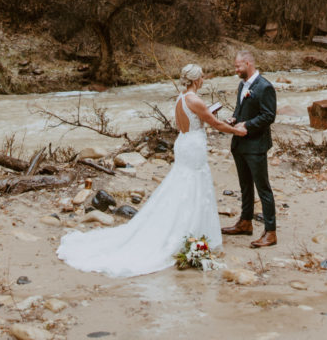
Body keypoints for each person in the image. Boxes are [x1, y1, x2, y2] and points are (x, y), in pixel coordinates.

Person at [57, 63, 246, 277]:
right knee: (195, 185)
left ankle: (184, 229)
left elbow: (191, 121)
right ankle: (187, 231)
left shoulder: (181, 98)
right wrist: (237, 131)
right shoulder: (195, 99)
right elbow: (215, 124)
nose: (203, 79)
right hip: (193, 145)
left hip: (184, 141)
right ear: (195, 80)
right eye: (202, 77)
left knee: (182, 184)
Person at [222, 48, 277, 248]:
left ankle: (270, 232)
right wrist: (234, 118)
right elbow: (240, 108)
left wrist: (246, 125)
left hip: (256, 145)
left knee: (263, 188)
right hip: (240, 144)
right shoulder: (242, 85)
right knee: (245, 186)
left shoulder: (265, 87)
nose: (235, 70)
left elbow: (269, 115)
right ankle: (245, 222)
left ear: (248, 64)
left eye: (238, 66)